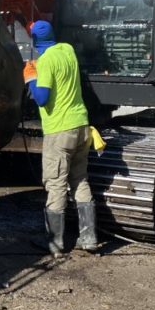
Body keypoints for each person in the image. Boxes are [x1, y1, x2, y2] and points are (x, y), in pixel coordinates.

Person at [23, 20, 98, 256]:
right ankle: (89, 239)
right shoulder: (68, 50)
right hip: (82, 126)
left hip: (60, 131)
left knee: (55, 184)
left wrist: (30, 77)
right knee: (79, 180)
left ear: (34, 41)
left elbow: (42, 98)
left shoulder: (45, 61)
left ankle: (55, 243)